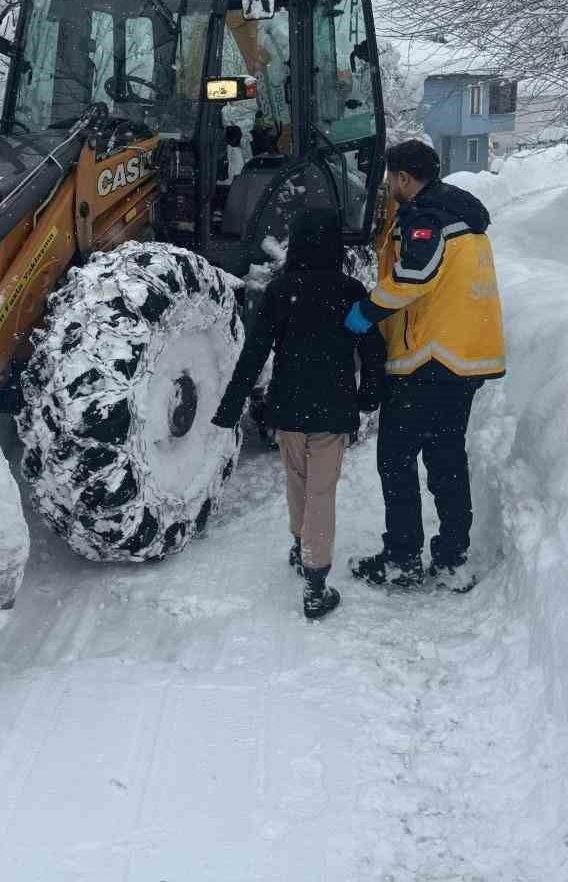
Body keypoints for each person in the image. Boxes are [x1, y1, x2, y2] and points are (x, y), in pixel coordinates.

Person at [344, 140, 505, 593]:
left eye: (391, 177)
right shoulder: (462, 215)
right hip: (466, 357)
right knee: (446, 457)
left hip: (430, 359)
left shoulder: (427, 217)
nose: (389, 186)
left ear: (404, 178)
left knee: (396, 458)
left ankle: (402, 558)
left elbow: (414, 276)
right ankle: (452, 559)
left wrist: (367, 311)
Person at [212, 208, 385, 620]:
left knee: (297, 481)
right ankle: (315, 581)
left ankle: (299, 543)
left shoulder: (280, 290)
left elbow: (254, 353)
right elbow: (373, 350)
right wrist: (369, 396)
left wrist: (230, 407)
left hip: (287, 407)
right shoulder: (351, 291)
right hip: (332, 407)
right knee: (321, 490)